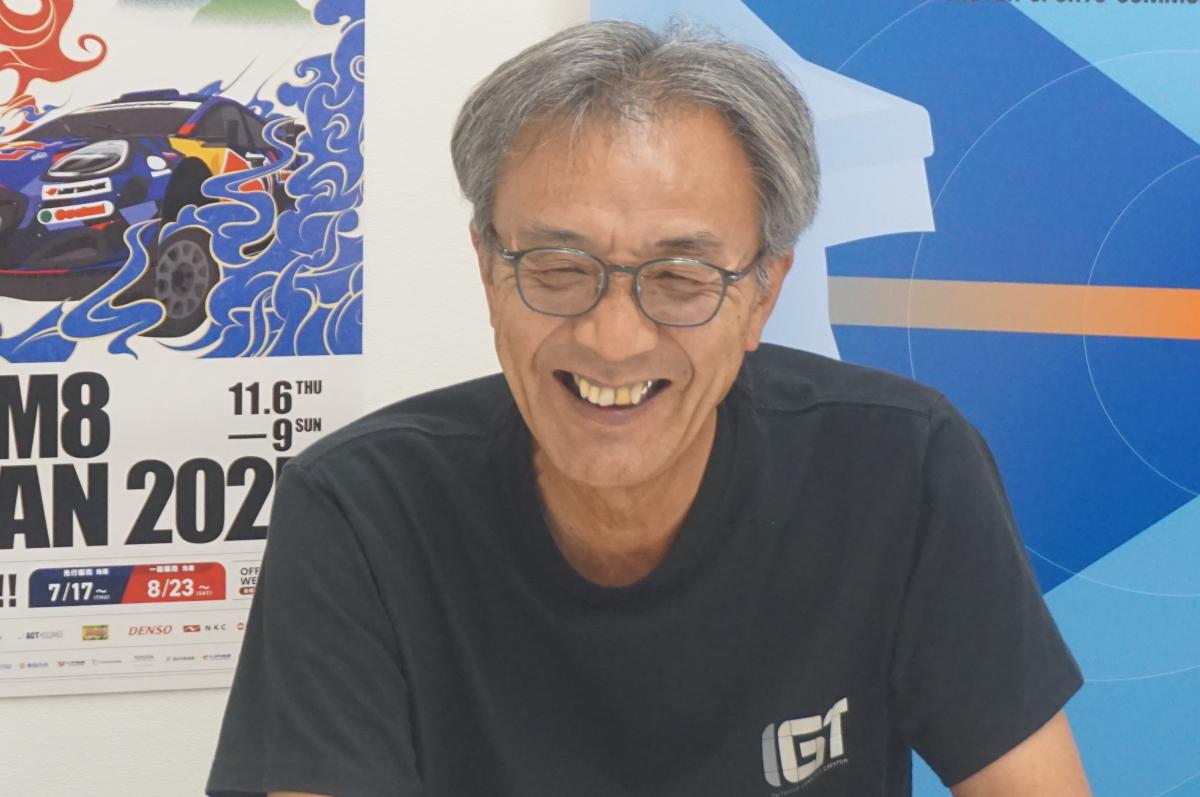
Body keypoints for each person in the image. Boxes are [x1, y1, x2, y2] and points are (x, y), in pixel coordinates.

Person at [207, 20, 1091, 797]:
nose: (615, 337)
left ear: (763, 292)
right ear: (487, 268)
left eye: (680, 277)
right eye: (559, 268)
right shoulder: (360, 510)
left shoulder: (902, 468)